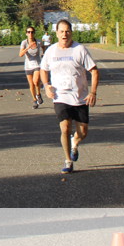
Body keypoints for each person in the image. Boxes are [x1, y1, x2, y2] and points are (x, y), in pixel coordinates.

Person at [39, 19, 99, 174]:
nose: (64, 34)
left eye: (67, 31)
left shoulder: (79, 49)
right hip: (60, 96)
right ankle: (68, 160)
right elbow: (43, 69)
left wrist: (93, 92)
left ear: (71, 33)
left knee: (83, 133)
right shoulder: (51, 51)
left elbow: (94, 71)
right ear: (56, 33)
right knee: (65, 127)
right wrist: (46, 85)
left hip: (80, 97)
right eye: (61, 31)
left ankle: (75, 142)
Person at [19, 27, 43, 109]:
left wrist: (44, 53)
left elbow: (43, 47)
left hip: (37, 64)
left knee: (36, 81)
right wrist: (28, 47)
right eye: (28, 32)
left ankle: (38, 94)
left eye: (32, 32)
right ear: (26, 33)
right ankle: (34, 100)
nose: (30, 34)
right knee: (31, 84)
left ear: (34, 33)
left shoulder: (38, 42)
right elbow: (20, 54)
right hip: (28, 65)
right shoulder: (24, 43)